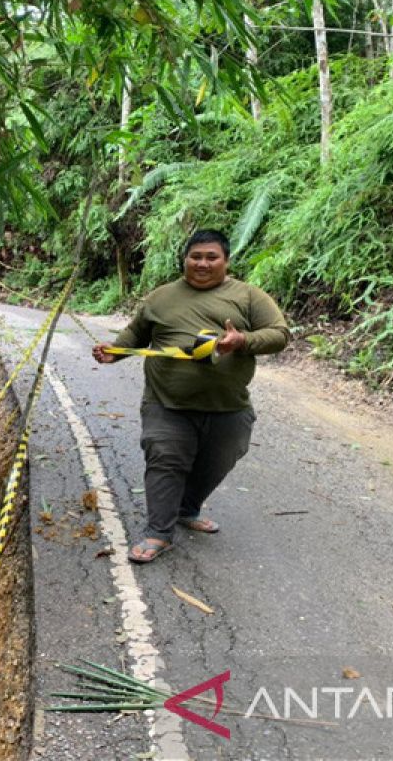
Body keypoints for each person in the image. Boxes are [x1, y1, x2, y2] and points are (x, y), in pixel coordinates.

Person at [91, 230, 290, 564]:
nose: (202, 263)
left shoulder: (248, 296)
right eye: (195, 256)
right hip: (166, 402)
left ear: (226, 261)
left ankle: (187, 509)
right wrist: (115, 352)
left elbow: (279, 334)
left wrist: (241, 341)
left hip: (228, 406)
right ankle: (159, 533)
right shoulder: (161, 297)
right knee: (165, 458)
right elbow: (136, 333)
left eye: (211, 257)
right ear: (184, 259)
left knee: (219, 461)